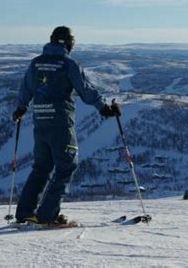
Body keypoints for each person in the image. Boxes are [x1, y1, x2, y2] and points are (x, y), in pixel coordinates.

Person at [12, 26, 121, 224]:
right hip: (60, 123)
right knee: (66, 165)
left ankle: (25, 212)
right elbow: (85, 90)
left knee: (41, 167)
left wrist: (21, 108)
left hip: (40, 122)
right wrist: (104, 108)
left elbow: (26, 88)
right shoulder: (68, 64)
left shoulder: (36, 63)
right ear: (68, 43)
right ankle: (47, 216)